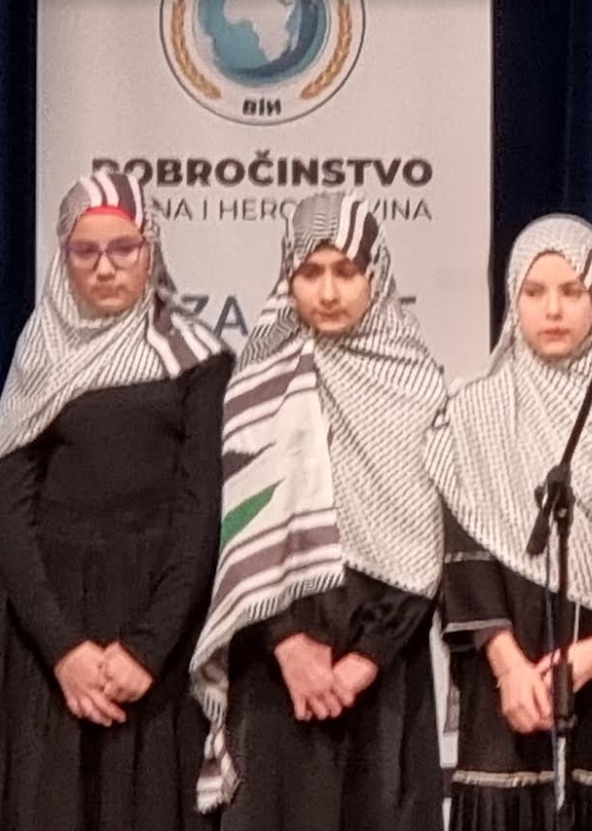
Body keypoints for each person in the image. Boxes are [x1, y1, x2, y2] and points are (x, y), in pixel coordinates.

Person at [190, 191, 447, 831]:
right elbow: (239, 533)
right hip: (277, 667)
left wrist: (364, 661)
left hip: (384, 670)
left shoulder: (418, 383)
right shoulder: (256, 381)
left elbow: (428, 537)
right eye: (310, 272)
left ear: (375, 275)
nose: (328, 292)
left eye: (346, 272)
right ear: (289, 277)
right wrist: (288, 644)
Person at [0, 170, 228, 831]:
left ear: (152, 248)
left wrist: (146, 648)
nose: (104, 267)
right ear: (63, 255)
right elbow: (10, 511)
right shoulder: (39, 355)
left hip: (157, 634)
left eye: (123, 248)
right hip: (53, 633)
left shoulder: (196, 358)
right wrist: (64, 648)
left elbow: (200, 513)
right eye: (85, 250)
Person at [430, 214, 592, 830]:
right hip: (505, 684)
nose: (552, 310)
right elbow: (462, 548)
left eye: (572, 291)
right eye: (535, 291)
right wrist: (508, 665)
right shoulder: (475, 407)